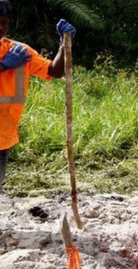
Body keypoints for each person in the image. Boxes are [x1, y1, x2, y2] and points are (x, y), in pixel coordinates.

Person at [0, 0, 75, 193]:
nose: (1, 28)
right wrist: (3, 66)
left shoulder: (19, 51)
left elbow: (55, 71)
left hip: (3, 137)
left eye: (4, 22)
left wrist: (64, 44)